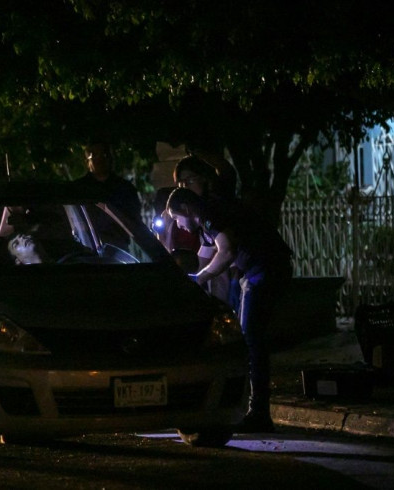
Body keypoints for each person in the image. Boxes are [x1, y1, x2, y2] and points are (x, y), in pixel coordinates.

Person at [166, 187, 292, 433]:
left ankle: (259, 413)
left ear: (188, 210)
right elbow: (206, 259)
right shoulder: (208, 221)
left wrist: (200, 278)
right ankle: (254, 409)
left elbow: (226, 250)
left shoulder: (208, 213)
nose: (179, 226)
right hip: (259, 271)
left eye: (177, 219)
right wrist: (189, 280)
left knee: (251, 340)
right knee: (249, 339)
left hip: (263, 270)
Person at [173, 152, 238, 305]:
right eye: (181, 184)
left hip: (248, 273)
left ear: (204, 177)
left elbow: (228, 249)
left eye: (189, 181)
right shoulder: (202, 214)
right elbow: (206, 251)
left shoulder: (214, 206)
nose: (185, 188)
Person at [75, 143, 142, 248]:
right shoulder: (79, 188)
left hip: (119, 247)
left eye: (105, 155)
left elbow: (135, 220)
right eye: (95, 155)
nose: (101, 159)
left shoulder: (125, 188)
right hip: (87, 247)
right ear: (87, 162)